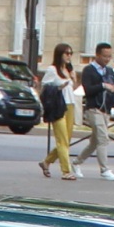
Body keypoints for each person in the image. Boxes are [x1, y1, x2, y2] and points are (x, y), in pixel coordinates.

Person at [79, 42, 114, 181]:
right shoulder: (89, 70)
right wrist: (103, 86)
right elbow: (87, 90)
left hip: (105, 109)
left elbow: (113, 84)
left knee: (94, 142)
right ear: (97, 55)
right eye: (104, 56)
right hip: (93, 108)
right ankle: (104, 169)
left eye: (109, 56)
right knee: (103, 138)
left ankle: (76, 163)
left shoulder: (109, 71)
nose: (107, 59)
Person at [37, 44, 78, 180]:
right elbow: (44, 88)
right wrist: (59, 87)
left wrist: (73, 78)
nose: (69, 56)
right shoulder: (52, 70)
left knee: (66, 140)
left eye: (70, 53)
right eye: (66, 53)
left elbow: (73, 88)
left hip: (70, 104)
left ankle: (46, 162)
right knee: (62, 140)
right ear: (59, 54)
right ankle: (66, 171)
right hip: (58, 105)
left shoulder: (68, 70)